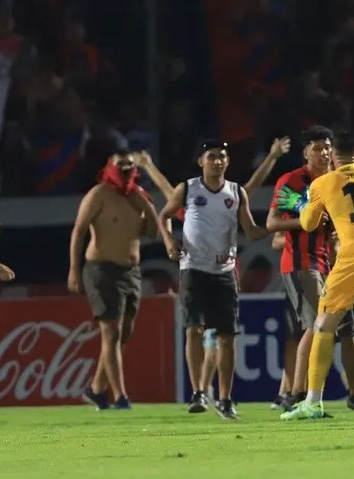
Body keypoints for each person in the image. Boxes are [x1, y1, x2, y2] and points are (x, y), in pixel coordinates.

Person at [275, 132, 354, 419]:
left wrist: (304, 202)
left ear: (333, 157)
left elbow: (307, 223)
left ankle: (313, 402)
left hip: (353, 256)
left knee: (323, 324)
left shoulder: (323, 182)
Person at [158, 141, 270, 419]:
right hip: (193, 268)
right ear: (201, 161)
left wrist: (279, 227)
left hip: (224, 272)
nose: (217, 162)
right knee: (194, 330)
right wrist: (169, 241)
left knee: (227, 337)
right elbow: (164, 216)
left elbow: (250, 230)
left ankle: (225, 398)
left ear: (228, 161)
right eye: (212, 157)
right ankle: (198, 391)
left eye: (222, 157)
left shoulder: (236, 192)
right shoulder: (188, 188)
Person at [69, 143, 172, 410]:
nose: (126, 170)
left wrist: (148, 206)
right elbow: (79, 232)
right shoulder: (98, 195)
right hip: (101, 269)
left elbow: (151, 232)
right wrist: (73, 270)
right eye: (121, 165)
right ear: (110, 167)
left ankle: (96, 390)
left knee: (124, 333)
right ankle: (120, 395)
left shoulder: (137, 197)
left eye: (130, 166)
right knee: (111, 332)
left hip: (131, 272)